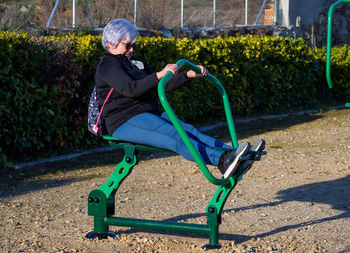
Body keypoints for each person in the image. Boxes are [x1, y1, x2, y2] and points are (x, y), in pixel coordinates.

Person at [95, 19, 265, 179]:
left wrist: (188, 75)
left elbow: (162, 86)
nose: (131, 49)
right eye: (127, 45)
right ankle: (222, 160)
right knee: (176, 137)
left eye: (133, 45)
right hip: (123, 120)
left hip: (147, 112)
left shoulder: (135, 64)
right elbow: (130, 89)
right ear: (111, 43)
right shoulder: (108, 65)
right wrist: (158, 75)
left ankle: (235, 155)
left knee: (190, 131)